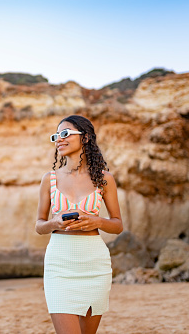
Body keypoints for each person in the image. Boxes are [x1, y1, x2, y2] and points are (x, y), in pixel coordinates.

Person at [35, 115, 123, 334]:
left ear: (85, 138)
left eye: (65, 134)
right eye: (56, 136)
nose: (59, 140)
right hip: (59, 264)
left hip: (94, 262)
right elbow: (39, 225)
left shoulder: (104, 179)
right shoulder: (50, 179)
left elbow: (117, 224)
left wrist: (97, 221)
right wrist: (54, 222)